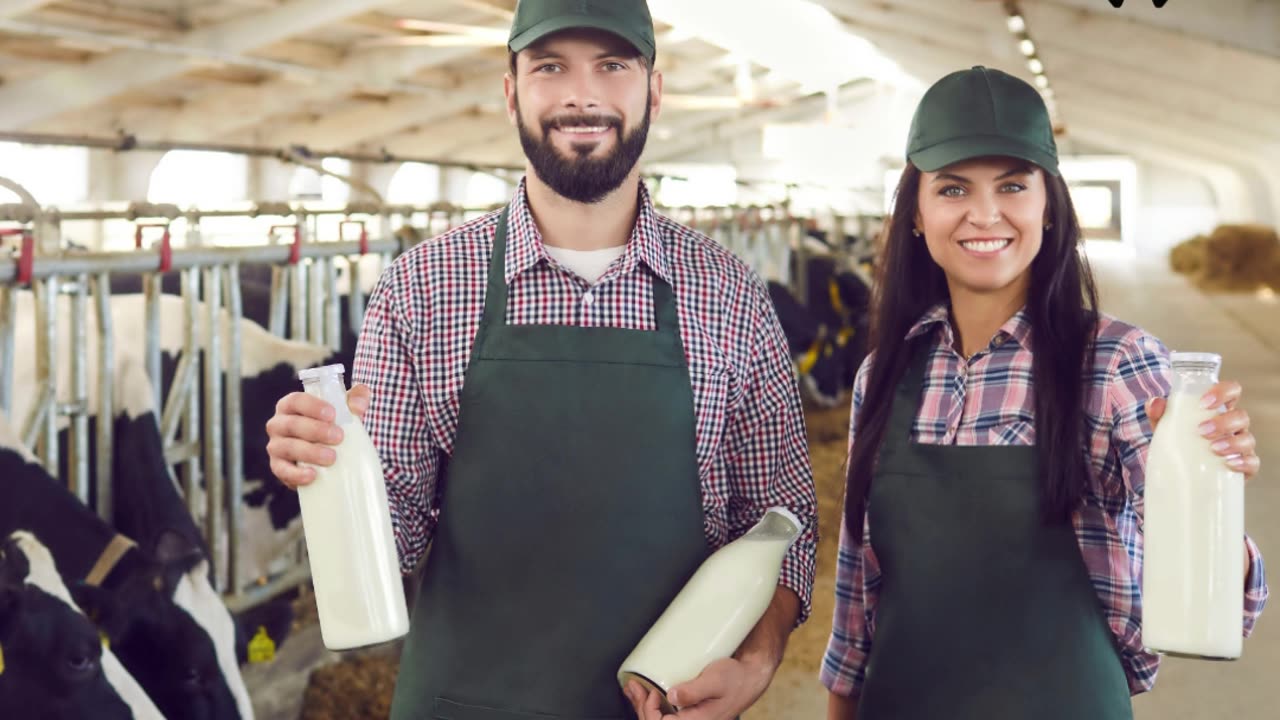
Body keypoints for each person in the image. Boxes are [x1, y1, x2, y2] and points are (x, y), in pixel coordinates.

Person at [263, 1, 818, 719]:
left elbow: (781, 519)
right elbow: (393, 538)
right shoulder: (423, 287)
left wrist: (759, 656)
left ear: (653, 90)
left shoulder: (728, 294)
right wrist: (328, 468)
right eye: (550, 67)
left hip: (663, 706)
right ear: (511, 90)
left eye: (611, 66)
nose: (581, 96)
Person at [821, 66, 1269, 720]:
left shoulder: (1114, 364)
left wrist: (1204, 481)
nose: (984, 214)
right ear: (915, 214)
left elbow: (1220, 595)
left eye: (1012, 185)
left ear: (1050, 206)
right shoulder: (883, 374)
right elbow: (859, 591)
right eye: (952, 188)